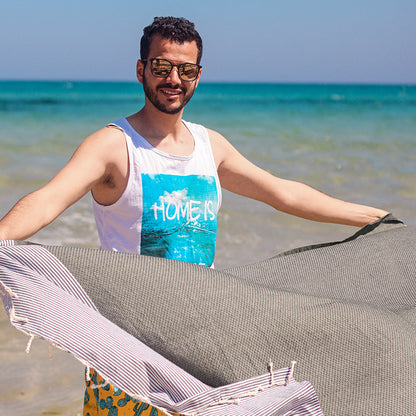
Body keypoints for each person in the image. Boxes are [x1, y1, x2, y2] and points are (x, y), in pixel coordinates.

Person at [0, 16, 388, 416]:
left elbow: (282, 193)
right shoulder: (113, 146)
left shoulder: (210, 146)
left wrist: (374, 218)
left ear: (198, 76)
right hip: (127, 349)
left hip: (198, 340)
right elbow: (48, 200)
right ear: (141, 70)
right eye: (161, 67)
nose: (173, 79)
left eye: (185, 70)